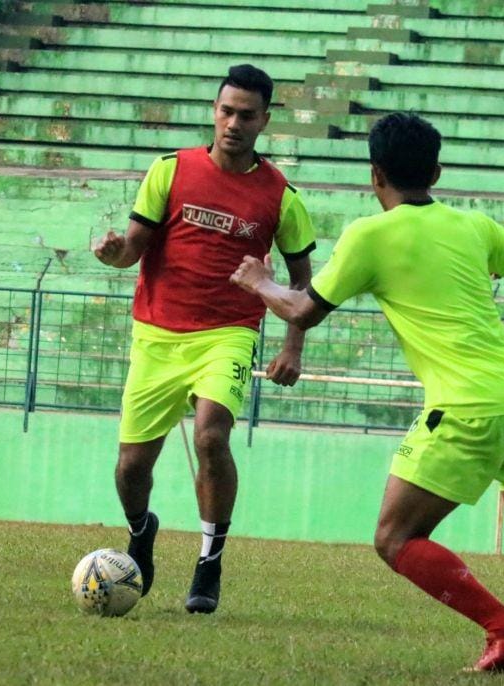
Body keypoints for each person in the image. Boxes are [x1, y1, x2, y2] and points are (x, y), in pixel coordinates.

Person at [229, 112, 504, 672]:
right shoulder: (473, 225)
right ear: (436, 172)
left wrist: (259, 281)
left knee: (396, 538)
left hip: (467, 405)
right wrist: (498, 260)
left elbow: (302, 308)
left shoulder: (370, 234)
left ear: (375, 176)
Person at [93, 64, 316, 614]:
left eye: (246, 114)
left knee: (211, 437)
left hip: (229, 335)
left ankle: (209, 562)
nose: (233, 123)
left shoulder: (281, 196)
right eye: (226, 111)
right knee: (130, 469)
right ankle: (142, 532)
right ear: (214, 112)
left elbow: (304, 282)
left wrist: (292, 346)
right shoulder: (171, 171)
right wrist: (114, 252)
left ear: (265, 120)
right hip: (157, 334)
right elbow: (134, 251)